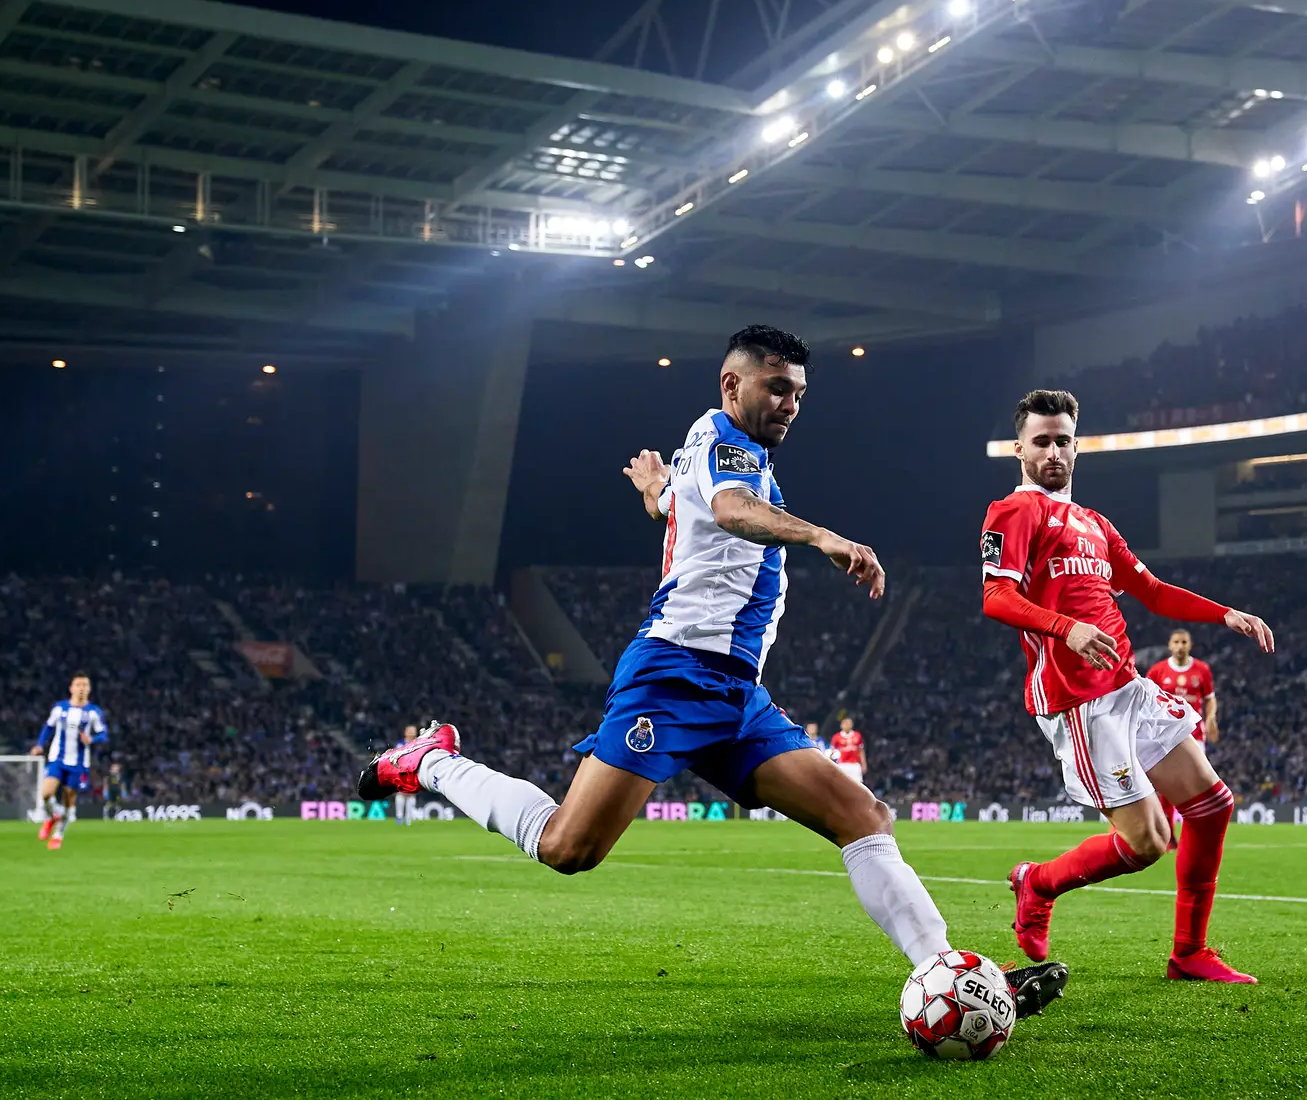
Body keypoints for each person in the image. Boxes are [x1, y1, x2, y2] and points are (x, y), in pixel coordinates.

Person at [359, 326, 1067, 1015]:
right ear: (732, 384)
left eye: (799, 394)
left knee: (863, 814)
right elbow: (728, 510)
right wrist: (823, 535)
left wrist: (657, 492)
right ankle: (431, 762)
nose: (791, 403)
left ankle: (946, 971)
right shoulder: (729, 447)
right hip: (672, 677)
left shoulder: (720, 448)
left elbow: (683, 507)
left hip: (735, 693)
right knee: (568, 848)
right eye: (777, 387)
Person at [981, 389, 1274, 984]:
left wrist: (1224, 615)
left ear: (1076, 446)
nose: (1054, 451)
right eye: (1041, 441)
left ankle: (1189, 953)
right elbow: (996, 598)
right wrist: (1067, 629)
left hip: (1127, 688)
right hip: (1079, 703)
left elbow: (1154, 591)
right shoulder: (1013, 513)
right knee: (1147, 843)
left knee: (1213, 806)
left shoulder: (1092, 523)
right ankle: (1037, 882)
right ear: (1020, 448)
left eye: (1063, 440)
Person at [1144, 630, 1218, 834]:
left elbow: (1210, 698)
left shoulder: (1202, 670)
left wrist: (1211, 718)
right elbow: (1145, 698)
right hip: (1165, 736)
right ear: (1169, 645)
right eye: (1176, 642)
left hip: (1195, 735)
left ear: (1190, 645)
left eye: (1184, 642)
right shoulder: (1158, 671)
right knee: (1169, 784)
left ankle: (1191, 832)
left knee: (1193, 785)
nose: (1180, 646)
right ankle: (1168, 832)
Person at [30, 675, 107, 850]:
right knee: (46, 794)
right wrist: (39, 745)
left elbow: (103, 734)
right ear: (71, 688)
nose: (81, 688)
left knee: (68, 800)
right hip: (57, 759)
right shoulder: (60, 708)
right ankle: (51, 817)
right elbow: (48, 727)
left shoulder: (94, 712)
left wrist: (91, 739)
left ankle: (59, 834)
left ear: (89, 689)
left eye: (85, 685)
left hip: (79, 764)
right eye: (78, 684)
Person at [393, 725, 422, 824]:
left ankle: (409, 818)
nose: (411, 733)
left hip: (413, 771)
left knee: (412, 794)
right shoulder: (400, 744)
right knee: (400, 793)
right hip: (401, 771)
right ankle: (399, 817)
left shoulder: (418, 744)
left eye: (413, 731)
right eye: (410, 731)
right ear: (405, 732)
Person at [830, 716, 866, 786]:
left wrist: (864, 764)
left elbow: (861, 750)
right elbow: (832, 751)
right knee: (842, 785)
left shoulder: (857, 735)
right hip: (842, 764)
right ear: (841, 725)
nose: (847, 725)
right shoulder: (836, 737)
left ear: (852, 724)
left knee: (858, 785)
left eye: (849, 723)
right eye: (845, 723)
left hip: (855, 764)